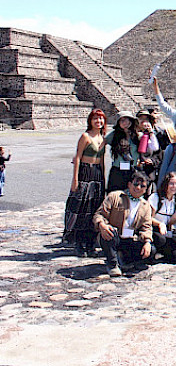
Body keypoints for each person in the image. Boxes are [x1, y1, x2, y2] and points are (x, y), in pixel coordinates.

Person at [93, 171, 156, 277]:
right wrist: (102, 225)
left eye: (142, 186)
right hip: (114, 235)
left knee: (151, 250)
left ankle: (124, 258)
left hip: (130, 238)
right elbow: (99, 215)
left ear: (145, 189)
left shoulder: (145, 206)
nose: (138, 188)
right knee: (109, 233)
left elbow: (147, 227)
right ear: (129, 184)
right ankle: (112, 264)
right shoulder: (115, 196)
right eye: (136, 184)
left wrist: (147, 242)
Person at [63, 109, 106, 256]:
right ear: (90, 120)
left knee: (94, 208)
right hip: (85, 173)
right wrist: (75, 180)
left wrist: (103, 179)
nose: (98, 121)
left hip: (97, 175)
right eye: (95, 119)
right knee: (82, 209)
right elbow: (78, 158)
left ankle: (90, 243)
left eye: (101, 119)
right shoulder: (85, 137)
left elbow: (102, 161)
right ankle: (79, 243)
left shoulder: (102, 138)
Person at [148, 172, 176, 264]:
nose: (174, 186)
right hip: (154, 231)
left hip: (167, 233)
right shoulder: (155, 197)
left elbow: (170, 224)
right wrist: (159, 224)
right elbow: (148, 218)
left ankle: (163, 254)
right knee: (161, 240)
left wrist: (173, 219)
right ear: (166, 184)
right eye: (171, 183)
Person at [103, 111, 140, 193]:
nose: (125, 123)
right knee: (115, 195)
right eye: (122, 121)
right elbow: (101, 143)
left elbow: (152, 147)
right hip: (118, 171)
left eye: (127, 120)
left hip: (132, 170)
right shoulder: (114, 135)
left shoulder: (137, 136)